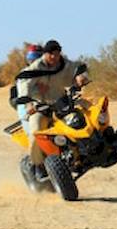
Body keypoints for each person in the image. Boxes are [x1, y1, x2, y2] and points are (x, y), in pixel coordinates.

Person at [12, 39, 90, 179]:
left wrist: (81, 77)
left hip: (61, 102)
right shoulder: (33, 70)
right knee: (36, 133)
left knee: (86, 109)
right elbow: (24, 89)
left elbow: (76, 69)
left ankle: (98, 140)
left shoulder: (62, 63)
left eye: (57, 54)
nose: (54, 57)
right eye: (51, 54)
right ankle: (38, 165)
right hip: (40, 108)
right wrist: (29, 104)